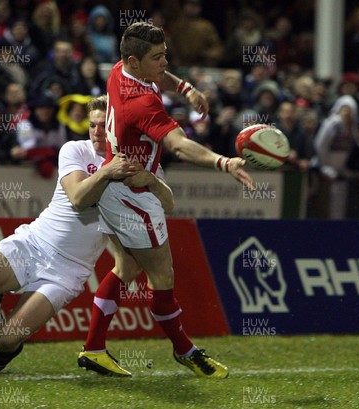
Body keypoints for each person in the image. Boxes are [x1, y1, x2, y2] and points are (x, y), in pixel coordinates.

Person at [78, 22, 253, 379]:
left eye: (164, 55)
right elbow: (178, 145)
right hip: (133, 193)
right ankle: (184, 350)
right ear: (134, 61)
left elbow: (160, 77)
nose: (165, 62)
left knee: (127, 269)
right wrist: (224, 161)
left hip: (116, 183)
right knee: (162, 273)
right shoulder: (140, 105)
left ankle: (94, 348)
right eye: (157, 57)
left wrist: (186, 87)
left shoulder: (119, 71)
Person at [0, 95, 171, 373]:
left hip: (68, 271)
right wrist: (107, 173)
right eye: (92, 125)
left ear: (118, 127)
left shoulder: (139, 164)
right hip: (32, 244)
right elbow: (79, 198)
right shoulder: (74, 150)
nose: (96, 132)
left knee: (6, 342)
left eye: (104, 126)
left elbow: (168, 203)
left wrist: (151, 180)